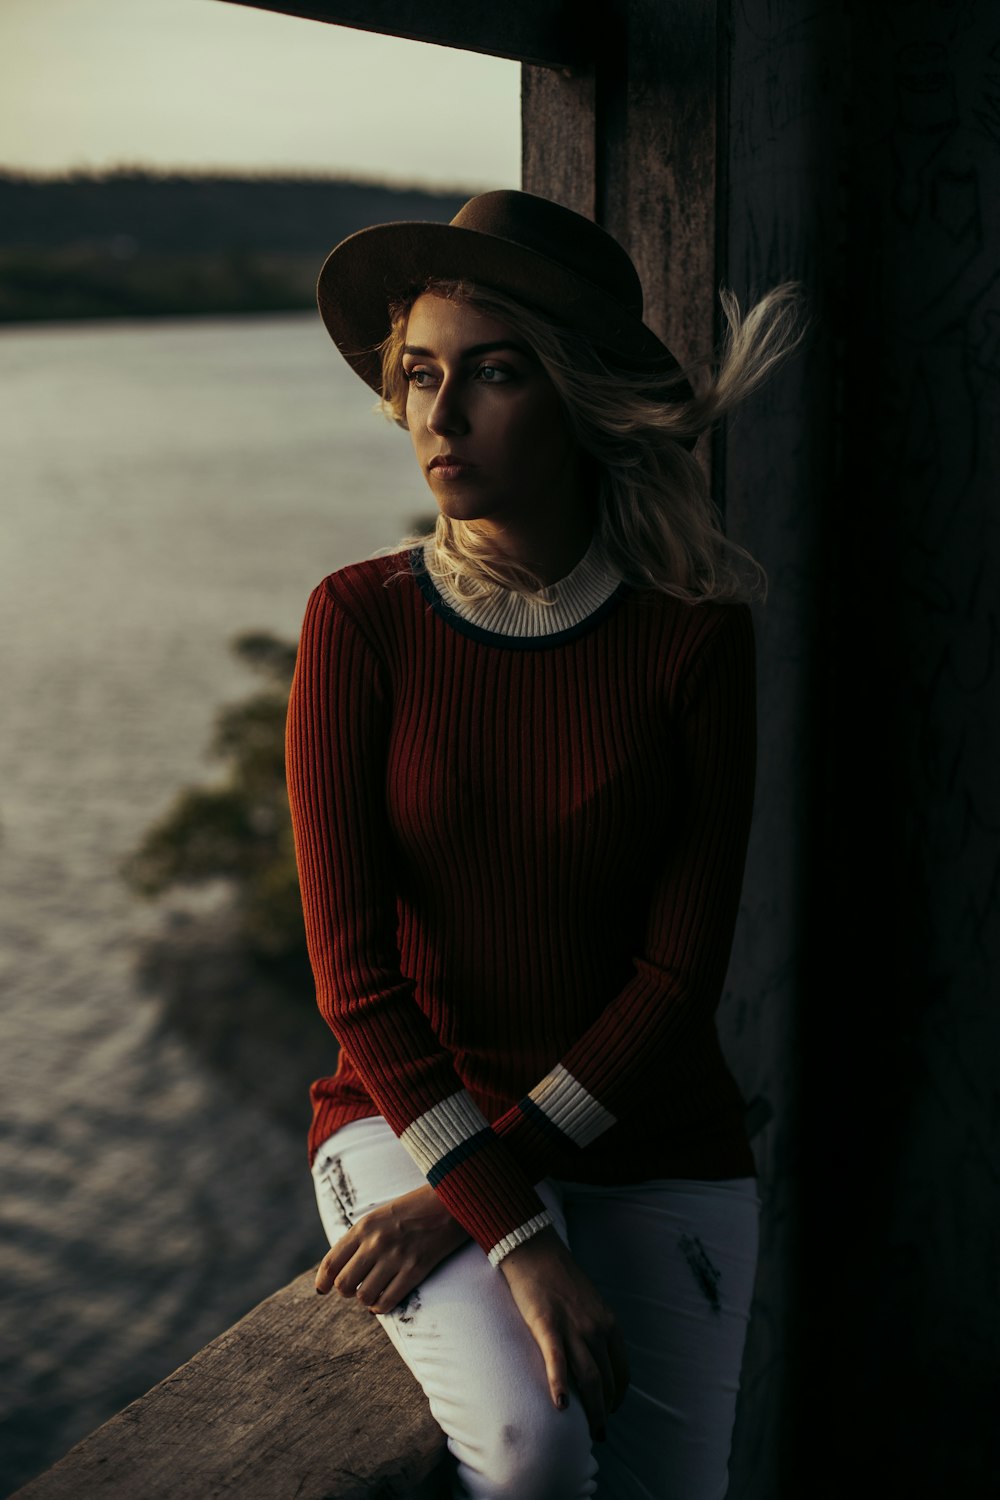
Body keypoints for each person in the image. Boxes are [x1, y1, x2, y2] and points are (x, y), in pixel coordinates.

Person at [284, 190, 802, 1499]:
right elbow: (352, 979)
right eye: (420, 376)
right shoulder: (361, 623)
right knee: (530, 1455)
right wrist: (507, 1219)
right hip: (410, 1115)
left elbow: (677, 979)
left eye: (494, 374)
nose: (440, 418)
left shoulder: (692, 645)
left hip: (651, 1141)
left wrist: (495, 1181)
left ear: (578, 395)